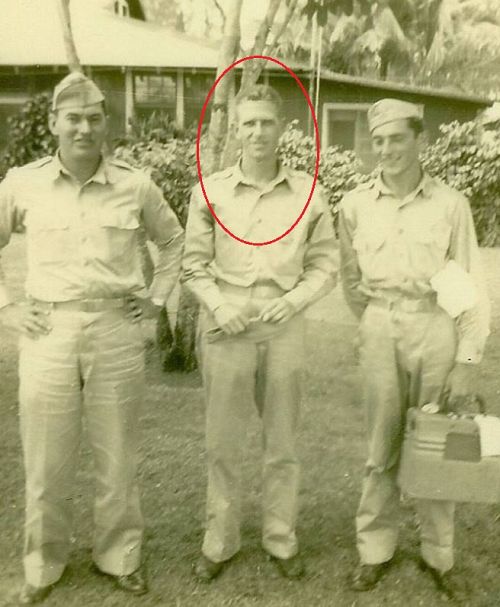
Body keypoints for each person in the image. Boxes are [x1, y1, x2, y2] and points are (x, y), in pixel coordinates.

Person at [0, 72, 183, 604]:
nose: (84, 128)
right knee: (45, 459)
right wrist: (8, 308)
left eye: (94, 119)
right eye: (73, 119)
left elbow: (174, 241)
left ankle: (120, 556)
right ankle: (43, 563)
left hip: (115, 331)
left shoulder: (135, 184)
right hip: (49, 332)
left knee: (117, 455)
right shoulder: (22, 183)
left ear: (106, 125)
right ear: (54, 123)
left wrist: (155, 300)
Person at [182, 85, 338, 581]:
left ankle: (280, 538)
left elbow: (325, 264)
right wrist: (219, 305)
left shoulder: (309, 193)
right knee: (222, 442)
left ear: (282, 128)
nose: (257, 132)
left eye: (266, 122)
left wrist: (293, 301)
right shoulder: (210, 192)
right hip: (227, 323)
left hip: (284, 324)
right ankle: (220, 541)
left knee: (283, 441)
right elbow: (192, 266)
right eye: (248, 123)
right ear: (237, 129)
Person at [339, 98, 490, 599]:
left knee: (438, 442)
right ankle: (375, 549)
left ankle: (438, 555)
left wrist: (466, 361)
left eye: (397, 138)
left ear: (419, 140)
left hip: (435, 324)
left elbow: (469, 286)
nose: (387, 150)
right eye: (378, 141)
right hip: (381, 325)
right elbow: (350, 281)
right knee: (380, 445)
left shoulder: (451, 204)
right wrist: (376, 325)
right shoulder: (355, 205)